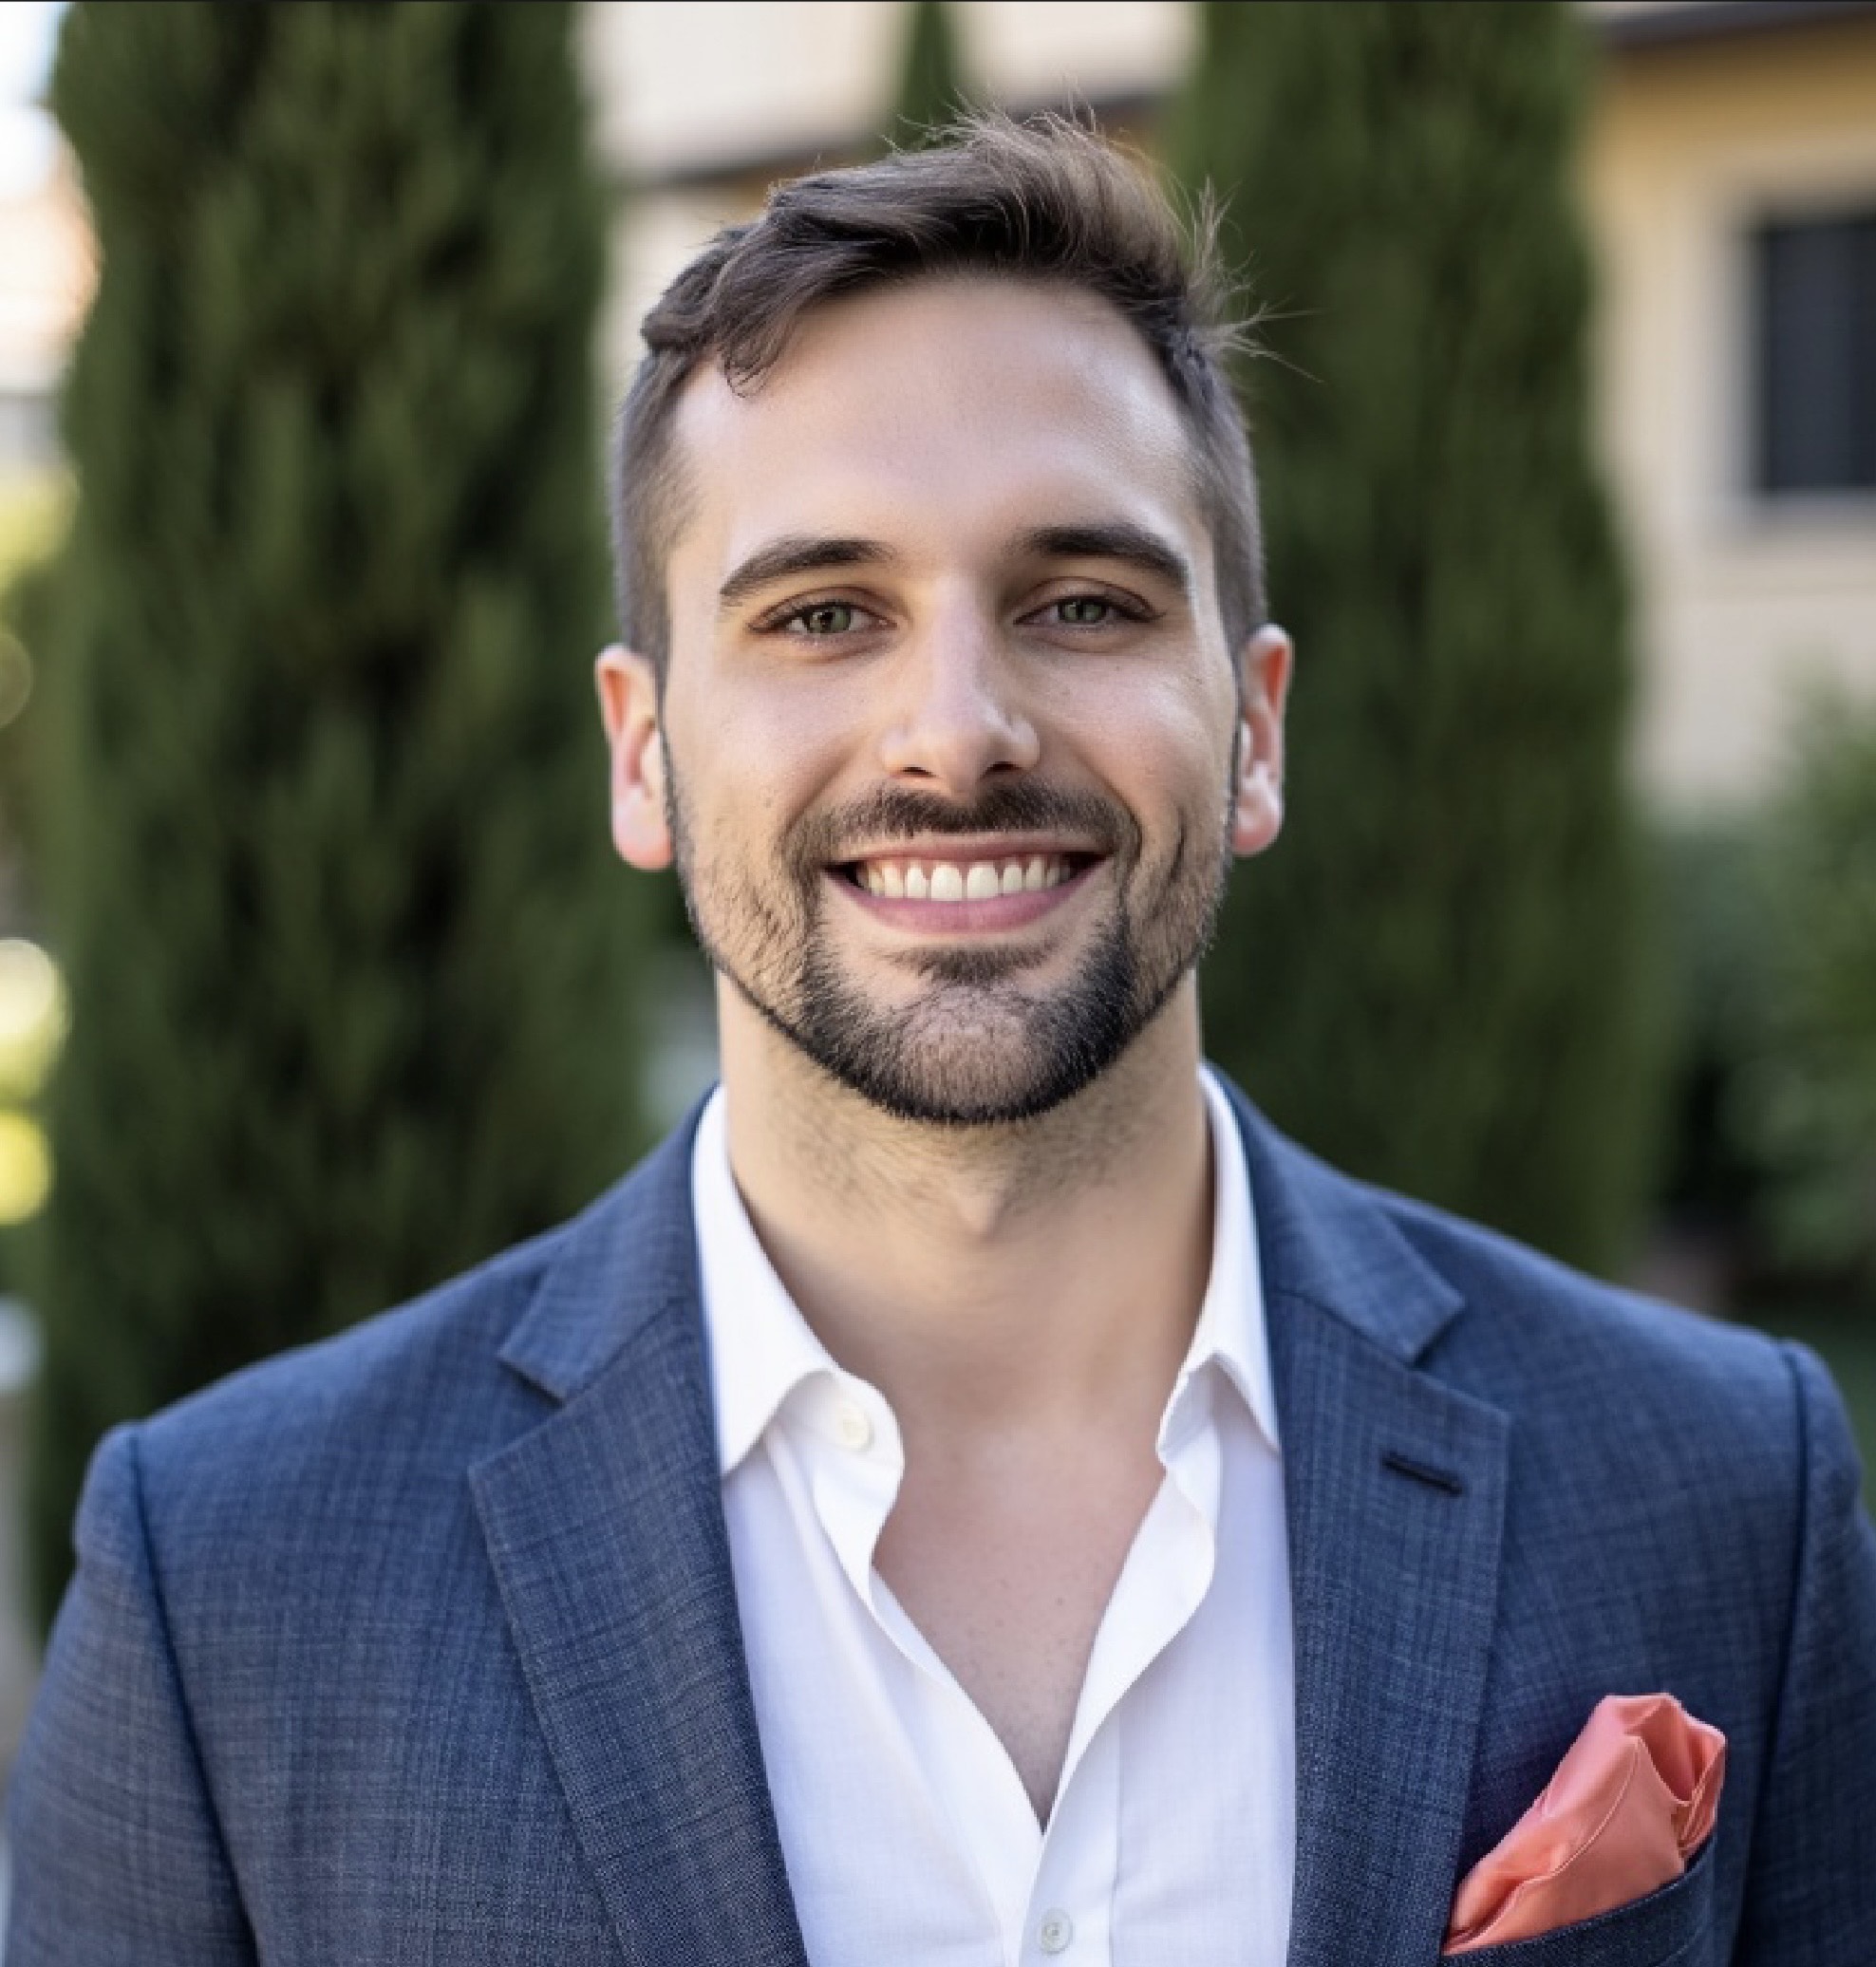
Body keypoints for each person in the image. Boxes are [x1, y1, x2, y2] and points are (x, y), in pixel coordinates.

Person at [9, 114, 1875, 1967]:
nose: (959, 731)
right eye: (825, 613)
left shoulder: (1721, 1493)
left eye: (1084, 604)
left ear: (1256, 731)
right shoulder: (233, 1581)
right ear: (642, 754)